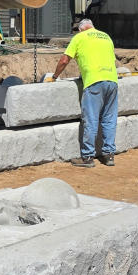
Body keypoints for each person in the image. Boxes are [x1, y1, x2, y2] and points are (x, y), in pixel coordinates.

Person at [52, 19, 118, 168]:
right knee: (109, 119)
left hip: (94, 82)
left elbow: (64, 60)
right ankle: (109, 156)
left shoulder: (79, 37)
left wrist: (54, 77)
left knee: (91, 119)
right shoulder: (106, 36)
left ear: (81, 29)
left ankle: (88, 157)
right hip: (112, 81)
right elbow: (111, 60)